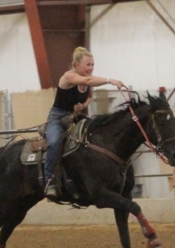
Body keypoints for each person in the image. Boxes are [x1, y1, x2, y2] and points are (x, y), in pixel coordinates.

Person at [43, 47, 125, 200]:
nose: (91, 68)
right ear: (77, 65)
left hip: (75, 116)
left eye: (92, 65)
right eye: (88, 65)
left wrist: (83, 106)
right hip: (58, 117)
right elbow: (88, 81)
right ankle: (49, 181)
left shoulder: (89, 80)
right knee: (54, 143)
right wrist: (111, 80)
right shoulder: (68, 77)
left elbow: (89, 97)